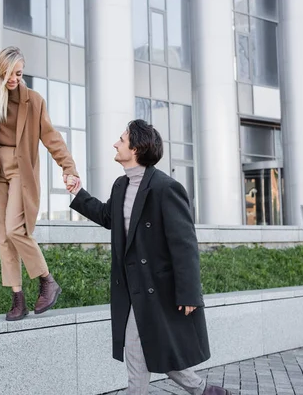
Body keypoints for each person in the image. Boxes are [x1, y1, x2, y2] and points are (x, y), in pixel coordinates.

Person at [64, 120, 230, 395]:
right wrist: (77, 194)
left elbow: (185, 245)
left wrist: (189, 293)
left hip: (158, 288)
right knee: (152, 350)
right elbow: (108, 216)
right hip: (131, 288)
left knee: (142, 350)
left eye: (121, 139)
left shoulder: (166, 188)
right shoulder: (121, 185)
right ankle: (205, 391)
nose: (116, 144)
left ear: (137, 148)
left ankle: (202, 390)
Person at [0, 46, 79, 321]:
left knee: (15, 229)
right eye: (10, 73)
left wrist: (69, 167)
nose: (16, 78)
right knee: (3, 237)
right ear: (0, 71)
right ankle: (18, 299)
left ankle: (47, 280)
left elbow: (52, 138)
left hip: (21, 171)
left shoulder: (33, 101)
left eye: (19, 73)